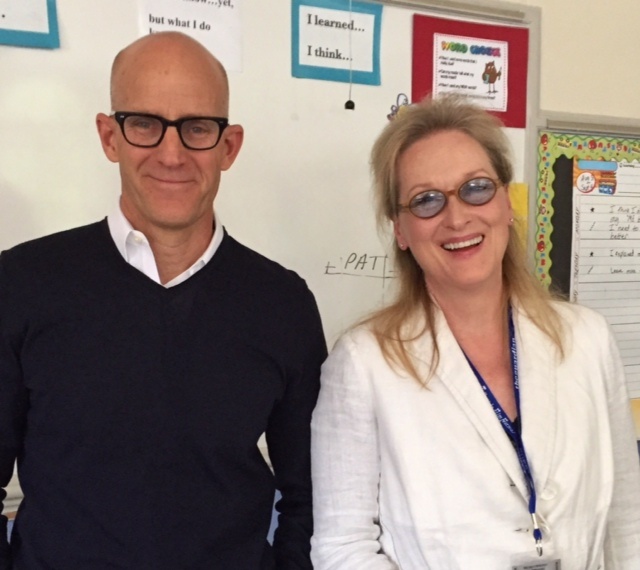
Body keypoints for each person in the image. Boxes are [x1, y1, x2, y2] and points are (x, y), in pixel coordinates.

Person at [0, 32, 326, 569]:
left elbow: (311, 494)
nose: (171, 155)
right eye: (145, 124)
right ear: (109, 137)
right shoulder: (22, 283)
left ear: (229, 146)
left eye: (197, 128)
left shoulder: (283, 304)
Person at [310, 95, 640, 569]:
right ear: (400, 230)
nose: (457, 217)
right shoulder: (364, 363)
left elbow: (626, 519)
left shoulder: (588, 340)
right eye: (426, 200)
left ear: (507, 202)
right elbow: (343, 549)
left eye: (476, 188)